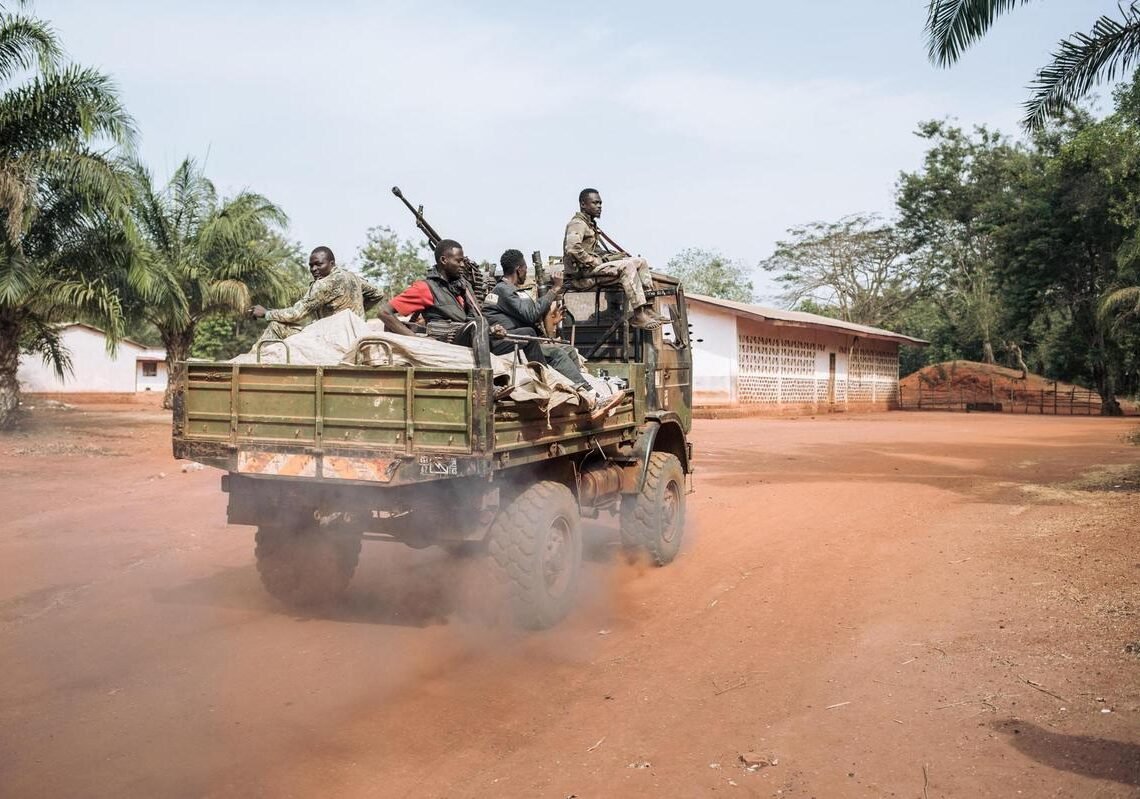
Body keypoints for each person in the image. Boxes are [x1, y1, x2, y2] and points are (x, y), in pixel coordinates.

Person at [563, 188, 668, 330]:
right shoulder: (578, 224)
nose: (599, 206)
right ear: (583, 204)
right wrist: (592, 261)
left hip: (592, 269)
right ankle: (638, 315)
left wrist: (613, 257)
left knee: (640, 261)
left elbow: (594, 249)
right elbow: (572, 248)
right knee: (627, 267)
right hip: (583, 274)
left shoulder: (589, 224)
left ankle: (648, 307)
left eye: (600, 203)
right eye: (595, 203)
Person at [484, 248, 590, 388]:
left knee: (568, 349)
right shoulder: (503, 290)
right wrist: (554, 289)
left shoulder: (512, 290)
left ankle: (580, 385)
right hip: (508, 340)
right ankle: (587, 391)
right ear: (519, 269)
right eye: (525, 269)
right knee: (557, 354)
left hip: (521, 338)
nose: (526, 272)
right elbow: (531, 314)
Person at [250, 246, 383, 340]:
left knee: (276, 326)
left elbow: (296, 314)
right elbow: (378, 293)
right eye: (311, 265)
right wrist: (353, 313)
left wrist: (266, 313)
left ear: (331, 263)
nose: (314, 269)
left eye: (319, 264)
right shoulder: (352, 277)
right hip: (356, 337)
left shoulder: (324, 284)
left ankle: (250, 367)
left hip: (332, 340)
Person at [378, 239, 479, 343]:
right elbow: (384, 313)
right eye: (458, 261)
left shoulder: (460, 288)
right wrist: (418, 340)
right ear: (444, 260)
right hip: (446, 346)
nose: (462, 265)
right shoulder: (425, 288)